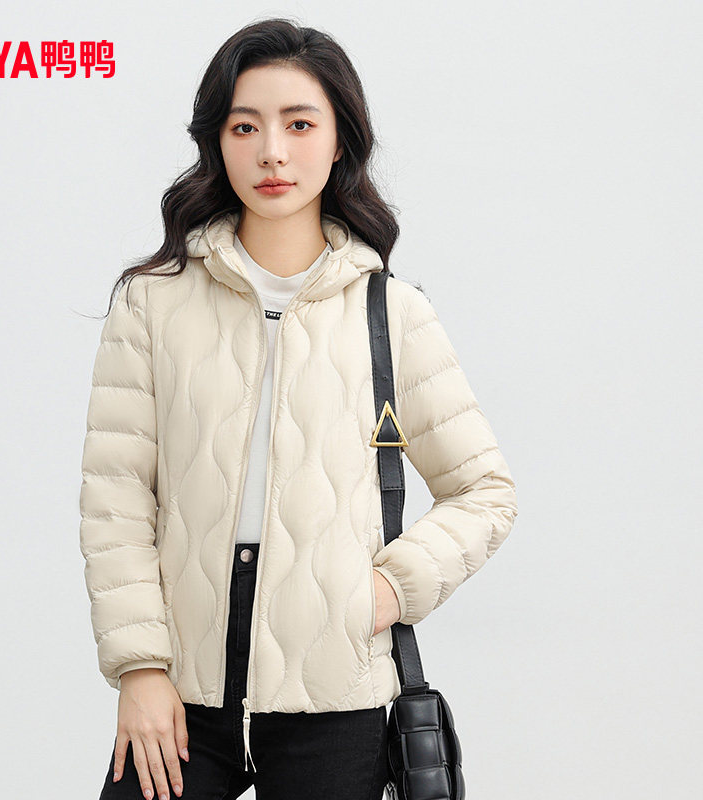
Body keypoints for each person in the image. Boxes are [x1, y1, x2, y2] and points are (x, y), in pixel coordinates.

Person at [79, 17, 518, 800]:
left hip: (336, 697)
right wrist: (140, 667)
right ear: (217, 142)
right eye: (245, 126)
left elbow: (485, 491)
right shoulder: (153, 304)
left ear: (340, 139)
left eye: (300, 124)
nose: (272, 152)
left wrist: (387, 591)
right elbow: (116, 498)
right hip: (182, 691)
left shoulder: (394, 314)